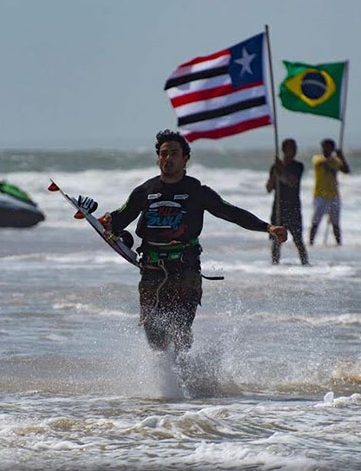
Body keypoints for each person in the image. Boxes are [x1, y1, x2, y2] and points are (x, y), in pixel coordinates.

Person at [82, 130, 287, 356]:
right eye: (163, 154)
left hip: (186, 271)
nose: (168, 159)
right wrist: (108, 222)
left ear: (185, 158)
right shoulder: (144, 191)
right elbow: (120, 218)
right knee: (155, 338)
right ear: (157, 157)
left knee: (180, 330)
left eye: (174, 154)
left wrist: (268, 227)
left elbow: (231, 213)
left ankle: (183, 377)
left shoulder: (197, 192)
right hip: (151, 272)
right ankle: (167, 378)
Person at [265, 138, 309, 265]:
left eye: (295, 148)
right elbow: (268, 188)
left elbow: (292, 182)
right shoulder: (275, 167)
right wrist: (275, 173)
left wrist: (282, 169)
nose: (294, 151)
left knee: (298, 240)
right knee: (276, 240)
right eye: (291, 148)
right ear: (284, 150)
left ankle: (305, 264)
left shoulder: (298, 166)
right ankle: (274, 265)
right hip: (279, 207)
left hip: (293, 207)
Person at [308, 138, 350, 245]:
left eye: (329, 147)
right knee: (316, 221)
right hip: (320, 195)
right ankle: (311, 242)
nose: (326, 149)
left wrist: (341, 157)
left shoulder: (336, 161)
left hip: (334, 195)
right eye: (325, 147)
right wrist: (333, 158)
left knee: (335, 223)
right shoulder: (317, 158)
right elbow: (320, 164)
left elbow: (346, 170)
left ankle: (339, 244)